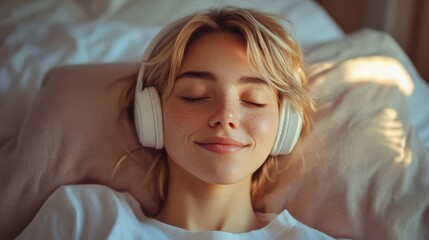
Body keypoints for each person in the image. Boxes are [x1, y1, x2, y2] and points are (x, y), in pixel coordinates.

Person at [17, 6, 336, 239]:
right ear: (150, 113)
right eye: (195, 95)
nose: (225, 117)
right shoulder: (83, 217)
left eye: (253, 100)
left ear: (284, 125)